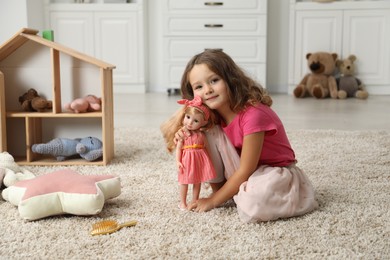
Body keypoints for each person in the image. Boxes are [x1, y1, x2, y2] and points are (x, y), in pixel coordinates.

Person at [173, 49, 318, 223]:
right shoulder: (211, 118)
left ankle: (233, 193)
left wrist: (213, 201)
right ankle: (226, 191)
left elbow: (246, 169)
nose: (208, 90)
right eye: (199, 86)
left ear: (230, 79)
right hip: (247, 172)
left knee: (255, 203)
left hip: (275, 174)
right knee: (204, 133)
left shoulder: (253, 114)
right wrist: (185, 133)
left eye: (214, 80)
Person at [161, 96, 216, 210]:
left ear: (203, 122)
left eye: (195, 120)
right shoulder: (183, 133)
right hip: (186, 160)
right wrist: (178, 161)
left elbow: (207, 148)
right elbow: (179, 149)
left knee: (197, 181)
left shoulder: (202, 135)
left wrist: (209, 161)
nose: (190, 123)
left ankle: (194, 200)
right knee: (184, 182)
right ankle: (183, 202)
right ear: (184, 116)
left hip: (199, 160)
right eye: (188, 117)